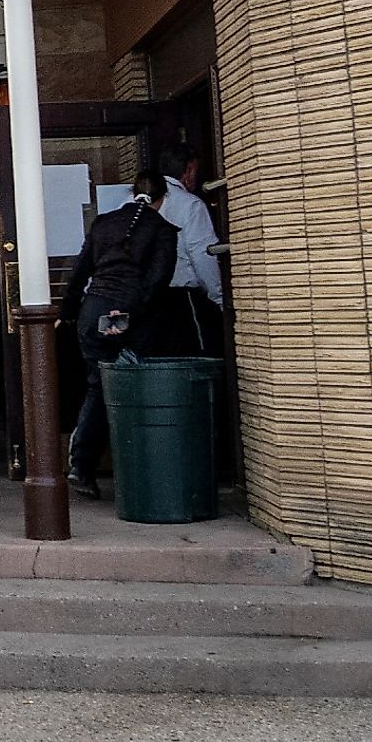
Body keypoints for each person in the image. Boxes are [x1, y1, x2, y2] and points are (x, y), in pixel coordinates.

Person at [60, 171, 182, 500]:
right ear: (162, 198)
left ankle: (81, 465)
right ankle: (136, 467)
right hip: (131, 315)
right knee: (136, 390)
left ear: (131, 193)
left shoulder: (104, 223)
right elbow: (157, 281)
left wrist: (68, 312)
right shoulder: (162, 230)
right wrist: (128, 313)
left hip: (93, 309)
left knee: (97, 386)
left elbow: (79, 272)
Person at [155, 144, 224, 357]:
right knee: (195, 357)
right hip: (184, 300)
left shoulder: (130, 203)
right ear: (189, 170)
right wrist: (219, 297)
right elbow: (203, 255)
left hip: (146, 300)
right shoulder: (191, 205)